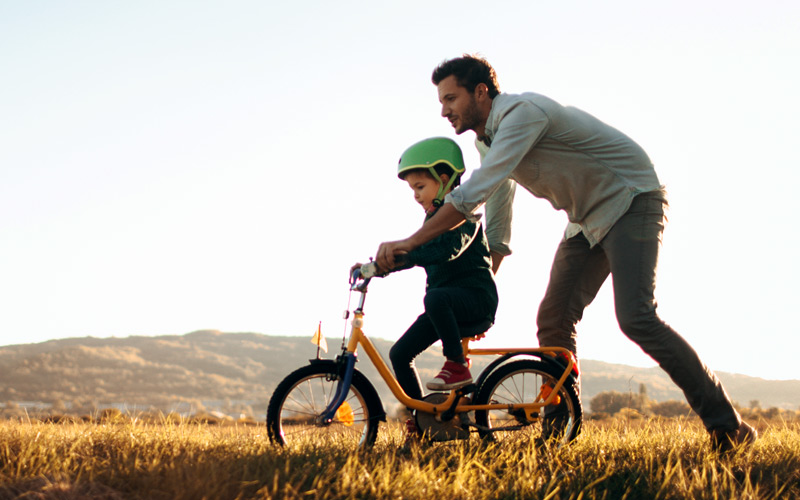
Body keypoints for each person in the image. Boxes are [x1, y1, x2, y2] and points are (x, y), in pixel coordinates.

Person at [375, 54, 756, 451]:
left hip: (632, 199)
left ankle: (728, 427)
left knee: (636, 316)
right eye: (441, 101)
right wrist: (484, 282)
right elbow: (498, 202)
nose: (443, 110)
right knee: (553, 319)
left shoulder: (522, 115)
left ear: (481, 92)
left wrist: (409, 242)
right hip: (585, 220)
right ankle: (558, 432)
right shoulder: (486, 140)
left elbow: (474, 192)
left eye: (451, 98)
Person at [357, 137, 498, 401]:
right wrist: (375, 268)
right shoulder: (432, 221)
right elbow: (417, 255)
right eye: (412, 189)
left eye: (420, 186)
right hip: (444, 306)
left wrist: (409, 251)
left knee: (434, 297)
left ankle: (457, 365)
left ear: (444, 179)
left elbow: (447, 250)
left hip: (475, 300)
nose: (415, 195)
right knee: (399, 354)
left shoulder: (465, 215)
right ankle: (419, 419)